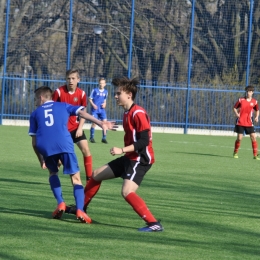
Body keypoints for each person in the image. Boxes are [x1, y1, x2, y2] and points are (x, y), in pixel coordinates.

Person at [66, 77, 163, 232]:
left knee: (126, 192)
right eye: (115, 93)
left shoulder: (138, 113)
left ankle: (154, 224)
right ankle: (81, 208)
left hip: (140, 159)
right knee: (96, 174)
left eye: (119, 93)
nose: (115, 96)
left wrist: (122, 150)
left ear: (129, 95)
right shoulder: (127, 113)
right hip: (130, 157)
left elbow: (144, 141)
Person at [29, 86, 116, 223]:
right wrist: (100, 122)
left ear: (41, 97)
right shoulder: (63, 105)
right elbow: (81, 112)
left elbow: (34, 143)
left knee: (53, 173)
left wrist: (41, 160)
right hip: (64, 143)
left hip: (45, 146)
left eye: (35, 99)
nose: (35, 102)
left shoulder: (34, 114)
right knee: (76, 178)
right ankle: (80, 209)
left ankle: (60, 203)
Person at [52, 69, 92, 182]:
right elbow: (52, 109)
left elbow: (83, 112)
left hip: (75, 128)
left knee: (86, 149)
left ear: (78, 80)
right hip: (62, 130)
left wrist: (80, 128)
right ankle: (53, 177)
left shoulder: (82, 94)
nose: (70, 81)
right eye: (68, 78)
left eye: (73, 78)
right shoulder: (59, 92)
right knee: (59, 159)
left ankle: (89, 178)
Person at [233, 85, 260, 159]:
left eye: (250, 92)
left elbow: (257, 110)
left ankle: (255, 155)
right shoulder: (241, 100)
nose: (249, 93)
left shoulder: (254, 102)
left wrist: (257, 117)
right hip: (241, 122)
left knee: (253, 137)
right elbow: (235, 107)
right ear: (246, 92)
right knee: (239, 138)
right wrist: (236, 114)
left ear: (252, 93)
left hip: (249, 122)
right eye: (248, 91)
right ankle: (235, 152)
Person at [89, 77, 109, 144]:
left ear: (105, 84)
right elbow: (90, 99)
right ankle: (91, 137)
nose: (101, 84)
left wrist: (105, 104)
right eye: (100, 83)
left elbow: (105, 100)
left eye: (102, 83)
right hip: (95, 110)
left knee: (105, 123)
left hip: (102, 110)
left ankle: (104, 138)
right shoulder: (94, 90)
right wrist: (93, 105)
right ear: (99, 83)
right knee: (94, 123)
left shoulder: (106, 92)